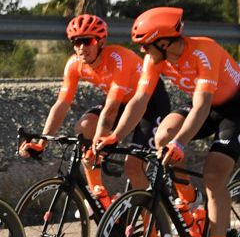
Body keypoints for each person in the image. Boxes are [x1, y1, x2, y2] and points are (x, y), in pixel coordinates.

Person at [99, 7, 240, 237]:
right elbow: (139, 101)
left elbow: (202, 106)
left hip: (235, 111)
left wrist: (181, 144)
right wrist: (116, 136)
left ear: (164, 42)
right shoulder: (154, 59)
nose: (143, 51)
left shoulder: (203, 52)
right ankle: (189, 198)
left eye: (146, 45)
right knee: (163, 136)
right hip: (202, 106)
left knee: (214, 176)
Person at [20, 14, 170, 204]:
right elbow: (61, 104)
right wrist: (42, 142)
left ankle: (169, 216)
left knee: (133, 167)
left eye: (87, 41)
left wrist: (97, 146)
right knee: (84, 127)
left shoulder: (118, 59)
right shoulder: (74, 64)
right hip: (121, 100)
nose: (82, 47)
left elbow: (111, 110)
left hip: (151, 102)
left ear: (101, 42)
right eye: (76, 42)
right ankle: (98, 194)